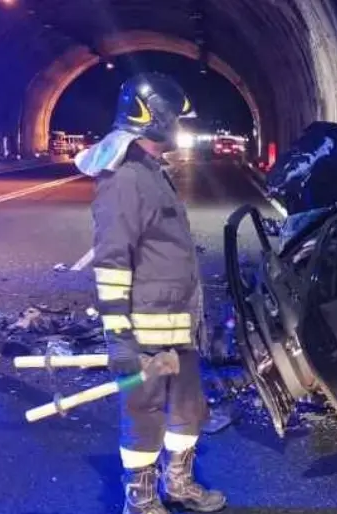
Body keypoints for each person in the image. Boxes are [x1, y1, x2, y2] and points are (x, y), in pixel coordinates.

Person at [74, 73, 227, 514]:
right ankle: (141, 500)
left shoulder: (151, 172)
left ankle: (178, 483)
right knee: (142, 414)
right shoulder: (124, 180)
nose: (180, 127)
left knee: (187, 410)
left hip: (178, 327)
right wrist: (119, 339)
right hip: (145, 332)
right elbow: (111, 263)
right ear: (155, 117)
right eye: (176, 119)